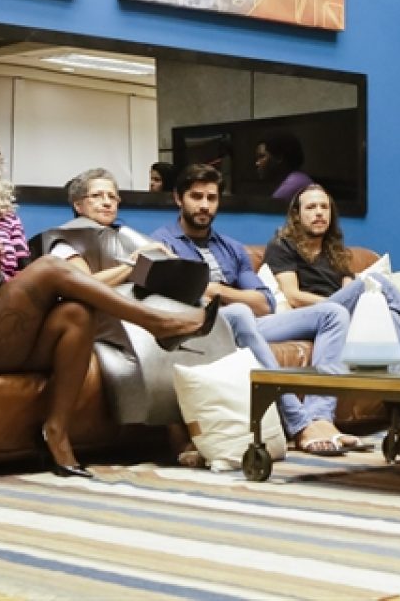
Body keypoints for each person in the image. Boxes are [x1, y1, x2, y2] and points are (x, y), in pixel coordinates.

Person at [0, 123, 215, 479]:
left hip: (15, 334)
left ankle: (56, 431)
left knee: (75, 313)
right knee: (51, 266)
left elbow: (21, 284)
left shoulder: (5, 221)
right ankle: (156, 322)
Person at [151, 164, 366, 456]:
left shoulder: (232, 248)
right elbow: (175, 300)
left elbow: (265, 303)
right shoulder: (162, 245)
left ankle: (320, 417)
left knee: (334, 313)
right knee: (241, 312)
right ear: (179, 198)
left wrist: (215, 290)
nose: (204, 205)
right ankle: (300, 423)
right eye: (196, 197)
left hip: (246, 325)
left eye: (211, 198)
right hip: (200, 325)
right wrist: (233, 298)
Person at [47, 167, 237, 467]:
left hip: (138, 311)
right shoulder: (65, 242)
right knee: (157, 343)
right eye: (97, 196)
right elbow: (83, 286)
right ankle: (180, 439)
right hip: (95, 319)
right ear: (78, 205)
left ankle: (213, 436)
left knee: (192, 340)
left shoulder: (125, 237)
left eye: (112, 197)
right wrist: (132, 265)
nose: (107, 202)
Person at [264, 183, 400, 438]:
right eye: (311, 207)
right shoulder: (282, 246)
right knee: (372, 282)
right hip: (312, 315)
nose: (319, 213)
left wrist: (356, 304)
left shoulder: (335, 251)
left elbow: (349, 289)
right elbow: (293, 296)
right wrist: (338, 302)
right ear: (297, 215)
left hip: (342, 316)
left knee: (393, 317)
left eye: (324, 207)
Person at [255, 133, 313, 200]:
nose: (257, 163)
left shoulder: (291, 185)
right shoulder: (300, 177)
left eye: (262, 156)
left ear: (279, 157)